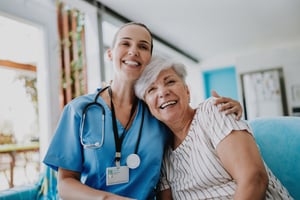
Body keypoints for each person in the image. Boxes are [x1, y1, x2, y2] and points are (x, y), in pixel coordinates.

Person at [43, 22, 243, 200]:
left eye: (143, 46)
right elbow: (65, 184)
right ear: (110, 54)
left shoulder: (156, 111)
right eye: (125, 43)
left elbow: (188, 123)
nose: (133, 51)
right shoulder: (80, 110)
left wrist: (221, 109)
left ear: (149, 60)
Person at [134, 55, 293, 200]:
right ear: (147, 106)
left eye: (170, 81)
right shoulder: (162, 154)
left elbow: (254, 179)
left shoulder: (211, 111)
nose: (163, 92)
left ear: (187, 91)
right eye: (151, 89)